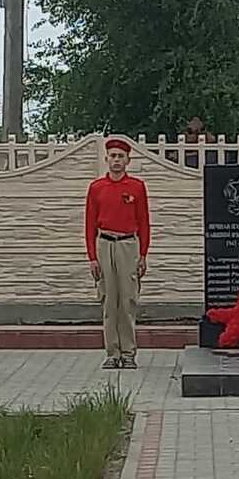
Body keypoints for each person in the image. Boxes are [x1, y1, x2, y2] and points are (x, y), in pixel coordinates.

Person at [85, 138, 150, 369]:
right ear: (106, 159)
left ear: (127, 161)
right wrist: (92, 257)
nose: (116, 160)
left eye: (120, 156)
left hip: (127, 245)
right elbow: (89, 225)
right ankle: (112, 353)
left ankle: (129, 353)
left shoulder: (137, 187)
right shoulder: (96, 188)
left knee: (128, 299)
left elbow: (144, 223)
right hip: (105, 244)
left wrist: (143, 254)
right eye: (112, 156)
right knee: (109, 300)